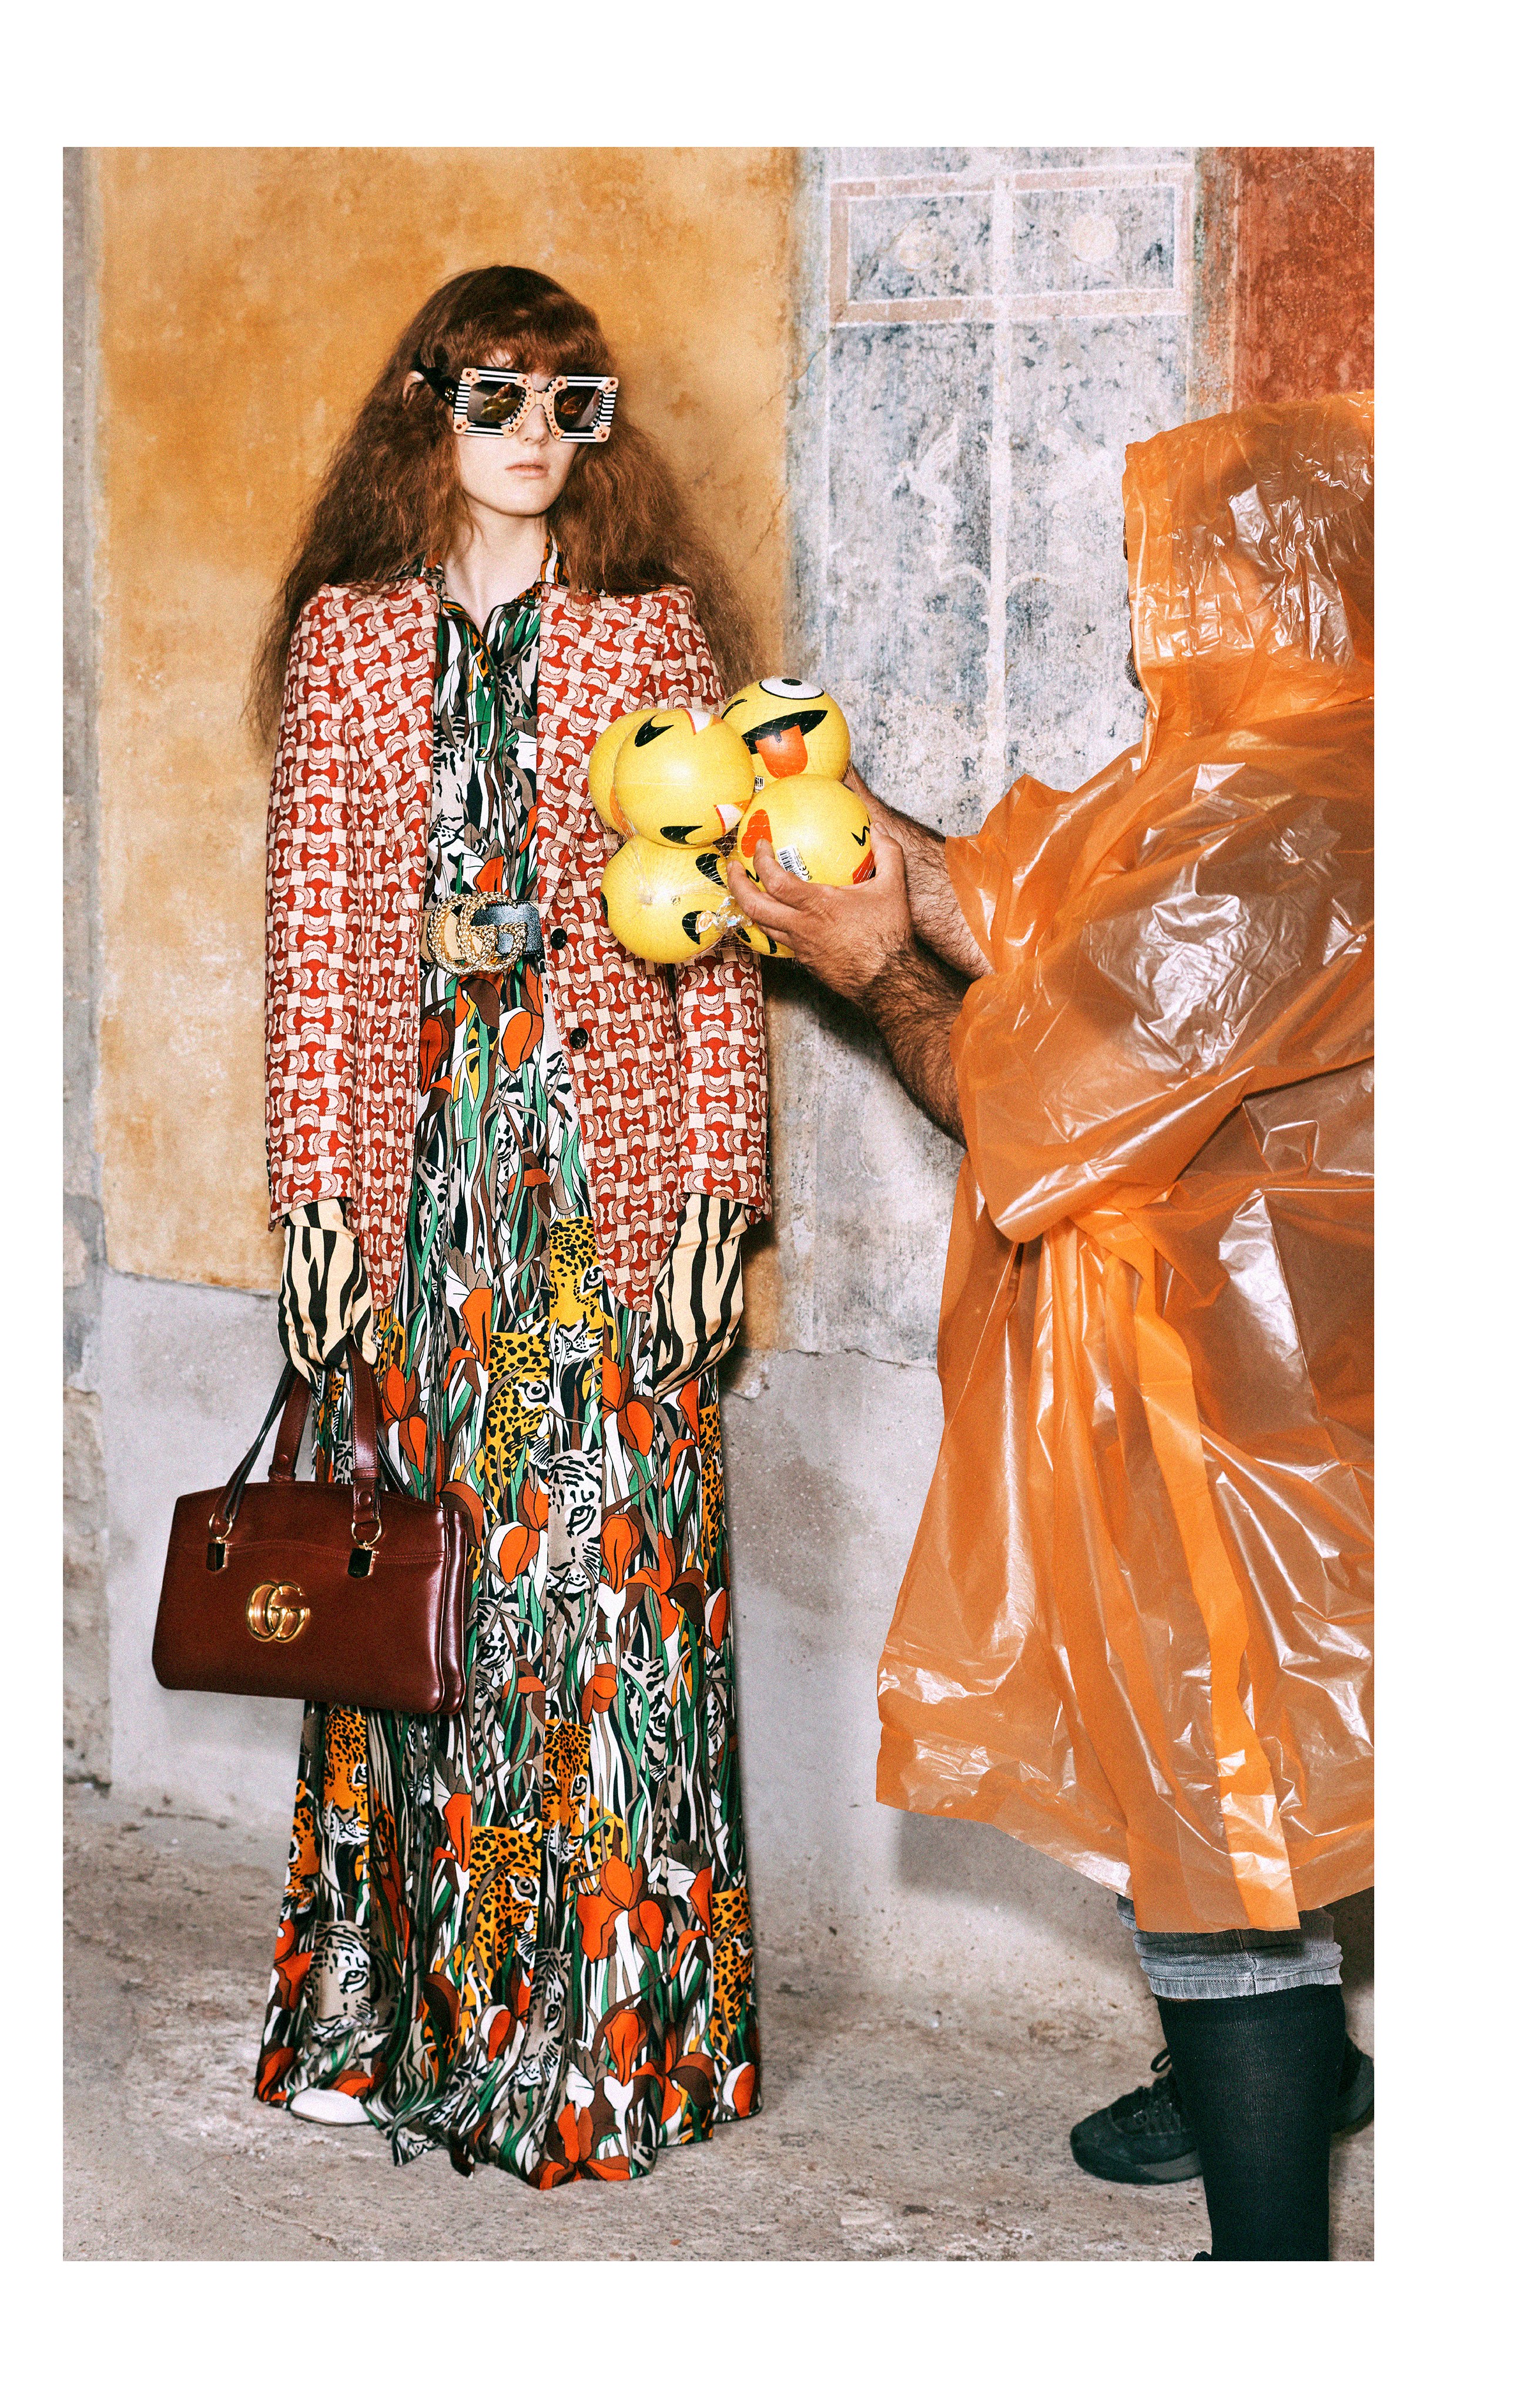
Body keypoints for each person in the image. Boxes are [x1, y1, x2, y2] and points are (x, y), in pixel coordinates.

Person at [729, 395, 1375, 2260]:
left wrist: (867, 971)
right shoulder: (1257, 768)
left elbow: (1014, 1097)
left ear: (1270, 586)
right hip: (1279, 1381)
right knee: (1219, 1778)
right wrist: (843, 821)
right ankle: (1284, 2074)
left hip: (1223, 1407)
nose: (1146, 615)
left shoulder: (1276, 831)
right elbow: (1031, 891)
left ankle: (1271, 2256)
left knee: (1212, 1824)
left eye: (1176, 578)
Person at [250, 264, 769, 2185]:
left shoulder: (654, 630)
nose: (536, 436)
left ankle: (615, 2038)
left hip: (602, 1179)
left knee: (609, 1597)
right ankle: (398, 2012)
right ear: (426, 410)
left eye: (572, 401)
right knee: (429, 1590)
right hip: (417, 1182)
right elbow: (311, 940)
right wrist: (311, 1198)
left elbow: (717, 939)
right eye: (495, 397)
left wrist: (719, 1188)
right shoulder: (346, 636)